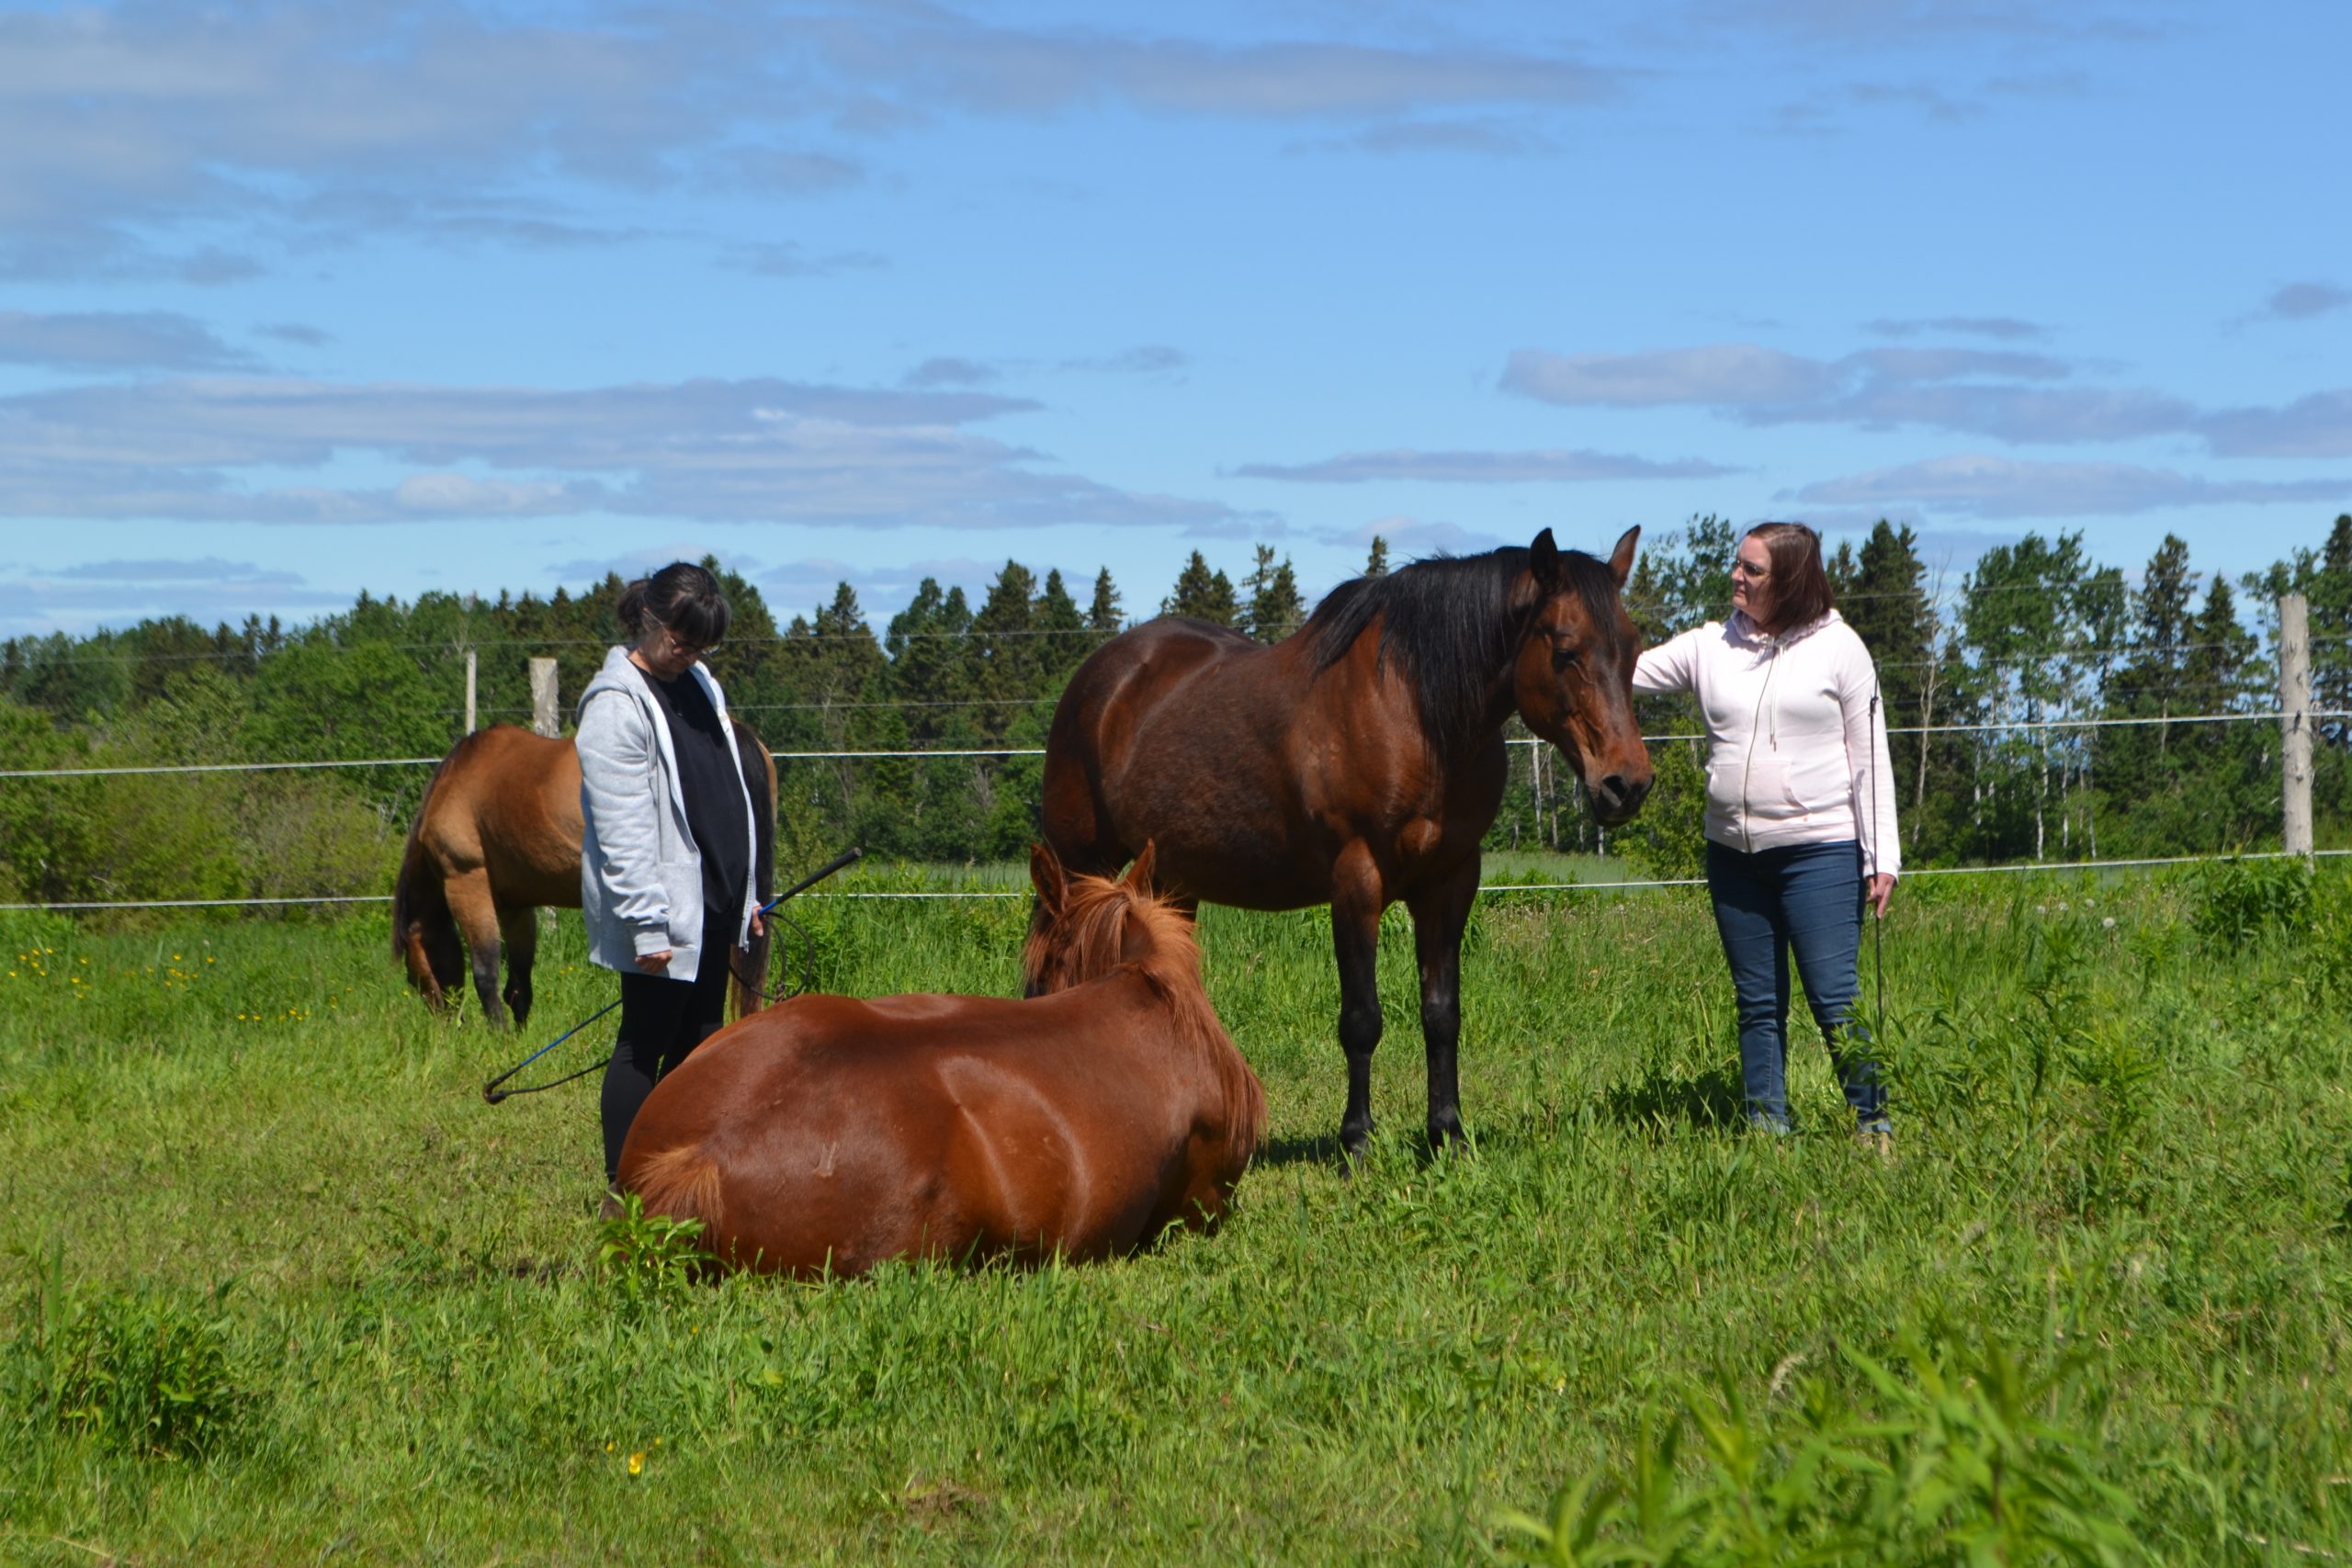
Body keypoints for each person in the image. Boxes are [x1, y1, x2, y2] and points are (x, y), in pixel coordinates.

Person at [1633, 522, 1899, 1145]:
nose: (1737, 577)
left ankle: (1874, 1122)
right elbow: (1624, 670)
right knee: (1757, 1002)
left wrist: (1881, 854)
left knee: (1835, 998)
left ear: (1791, 580)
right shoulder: (1710, 645)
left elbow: (1869, 756)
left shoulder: (1841, 649)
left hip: (1821, 853)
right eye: (1737, 565)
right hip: (1732, 855)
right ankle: (1767, 1128)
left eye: (1753, 570)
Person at [576, 561, 765, 1187]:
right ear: (648, 620)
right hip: (661, 910)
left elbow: (726, 786)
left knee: (703, 1041)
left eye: (701, 646)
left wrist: (748, 898)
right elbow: (623, 831)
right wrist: (646, 924)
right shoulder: (613, 707)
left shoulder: (699, 683)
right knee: (645, 1044)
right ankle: (625, 1189)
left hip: (714, 897)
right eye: (680, 642)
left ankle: (685, 1178)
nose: (688, 656)